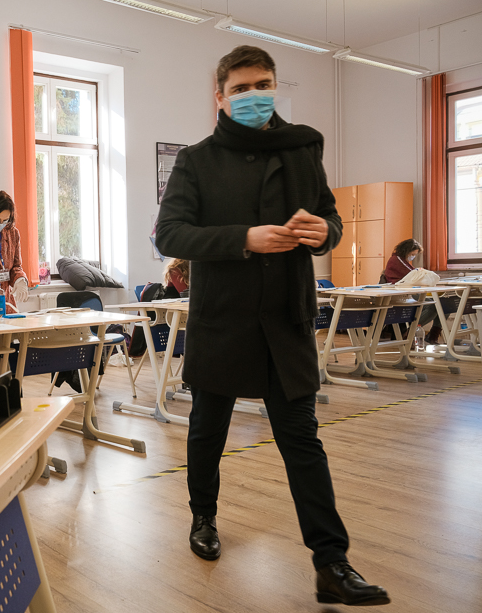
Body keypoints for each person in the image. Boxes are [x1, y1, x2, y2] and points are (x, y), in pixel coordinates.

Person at [155, 45, 389, 606]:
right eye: (240, 88)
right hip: (223, 318)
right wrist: (244, 238)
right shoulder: (196, 161)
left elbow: (329, 217)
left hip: (285, 318)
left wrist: (325, 233)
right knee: (207, 431)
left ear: (275, 87)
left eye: (262, 85)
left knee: (302, 440)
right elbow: (170, 235)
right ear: (220, 97)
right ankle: (203, 517)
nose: (253, 96)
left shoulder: (303, 147)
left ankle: (331, 562)